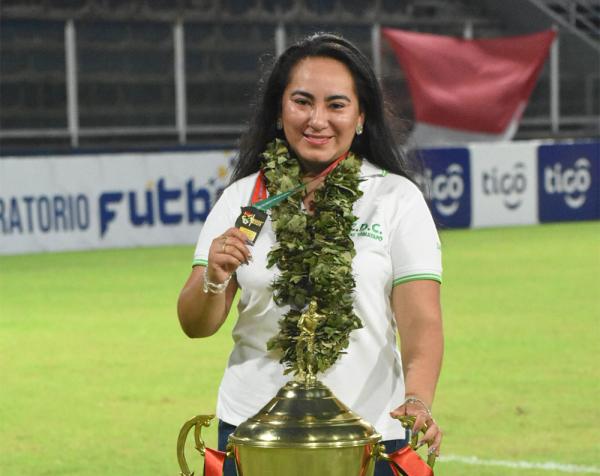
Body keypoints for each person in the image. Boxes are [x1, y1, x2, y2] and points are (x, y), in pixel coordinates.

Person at [177, 33, 443, 476]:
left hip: (368, 435)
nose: (318, 119)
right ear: (280, 113)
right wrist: (214, 277)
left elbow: (422, 324)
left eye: (336, 105)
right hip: (253, 433)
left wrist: (416, 399)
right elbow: (194, 323)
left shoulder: (396, 198)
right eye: (302, 102)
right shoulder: (243, 199)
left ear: (360, 117)